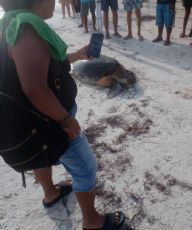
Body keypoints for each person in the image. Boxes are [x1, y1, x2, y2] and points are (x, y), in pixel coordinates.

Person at [0, 1, 129, 229]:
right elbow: (35, 89)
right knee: (85, 168)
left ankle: (50, 193)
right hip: (50, 120)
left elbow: (40, 64)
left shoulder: (11, 22)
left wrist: (77, 56)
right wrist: (66, 120)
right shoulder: (27, 29)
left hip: (33, 121)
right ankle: (92, 221)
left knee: (42, 154)